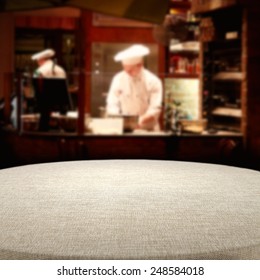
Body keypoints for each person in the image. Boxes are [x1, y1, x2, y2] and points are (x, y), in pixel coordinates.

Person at [106, 44, 163, 131]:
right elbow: (112, 103)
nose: (127, 73)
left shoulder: (153, 81)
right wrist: (117, 119)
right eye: (125, 69)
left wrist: (139, 122)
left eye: (130, 70)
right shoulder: (118, 79)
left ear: (140, 65)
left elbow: (155, 109)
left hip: (148, 130)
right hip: (125, 128)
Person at [31, 49, 67, 130]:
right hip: (60, 104)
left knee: (43, 125)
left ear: (41, 60)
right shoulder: (61, 70)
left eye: (38, 61)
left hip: (44, 103)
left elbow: (37, 87)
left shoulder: (38, 71)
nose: (38, 63)